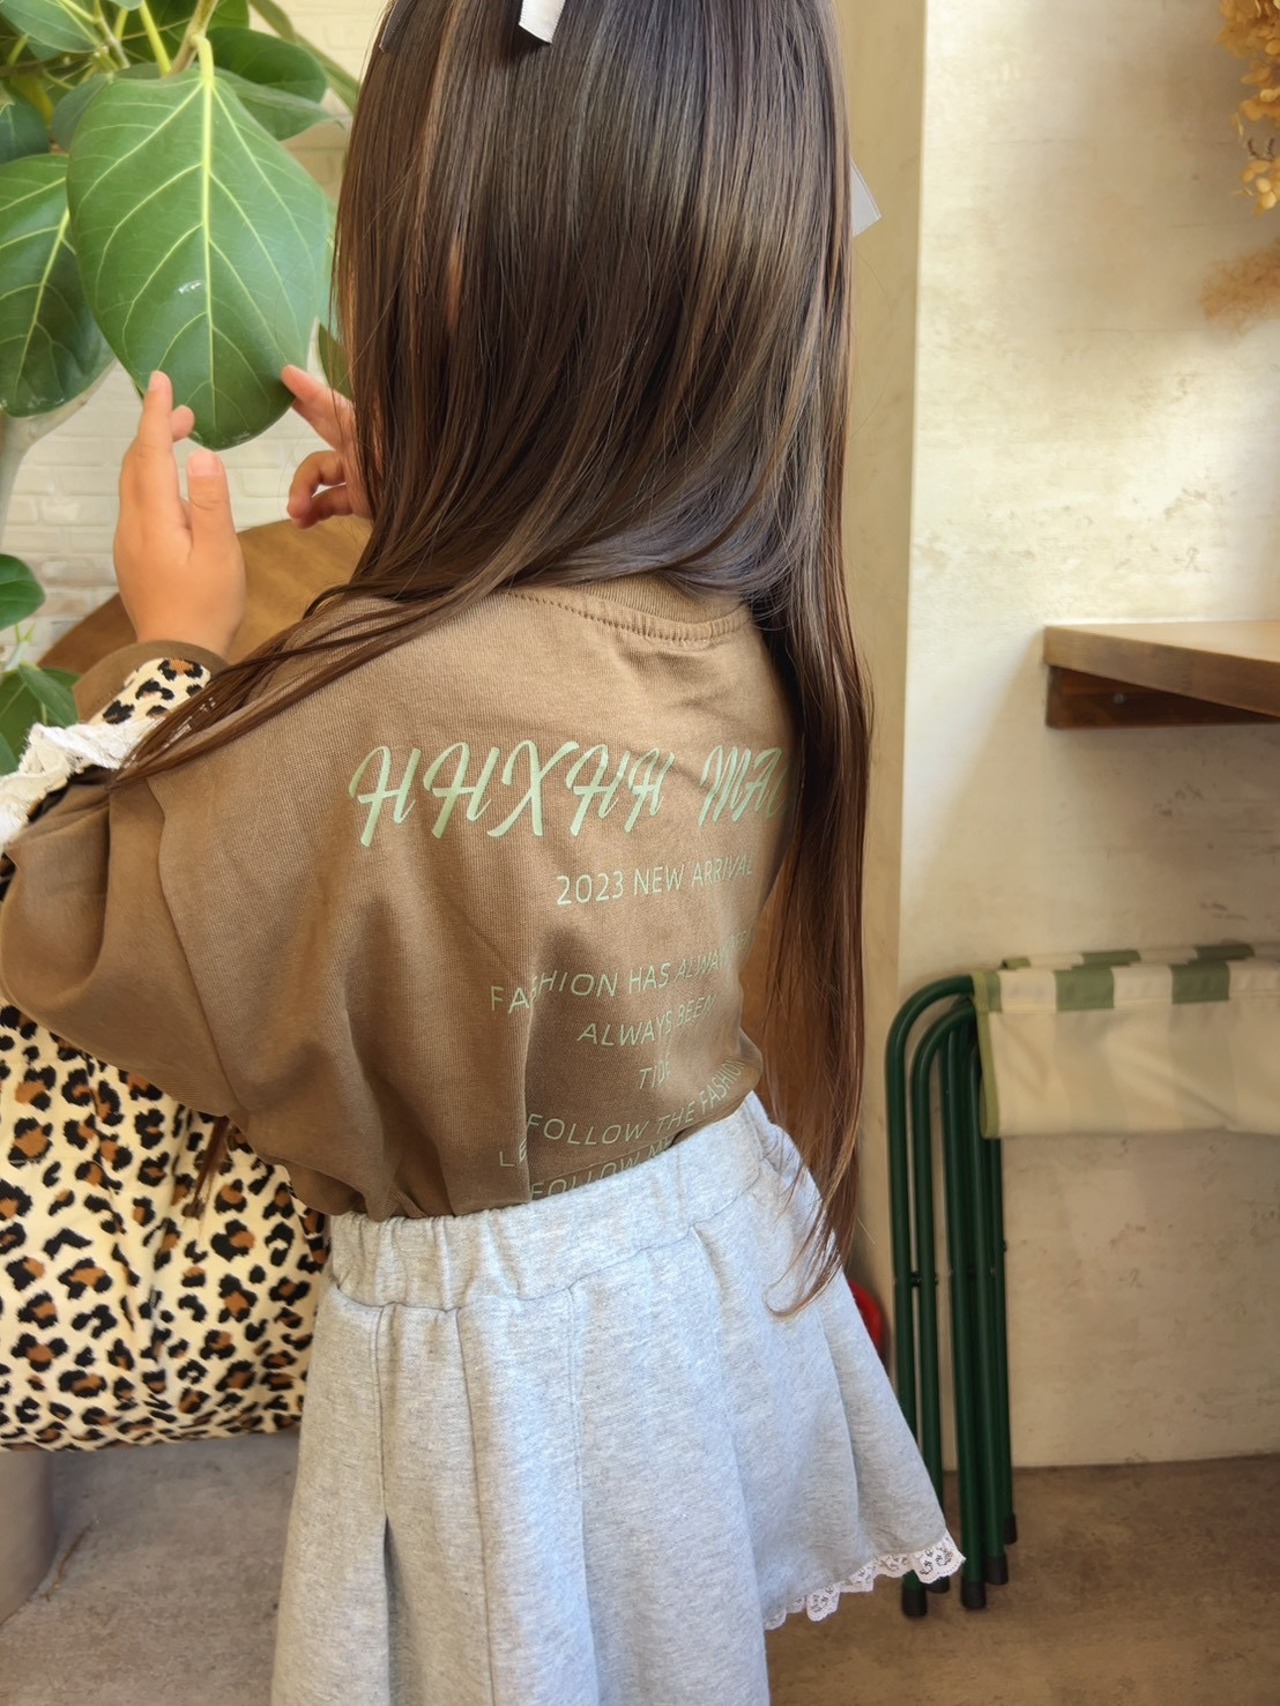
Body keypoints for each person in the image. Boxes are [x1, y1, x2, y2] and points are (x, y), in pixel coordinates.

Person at [0, 0, 960, 1699]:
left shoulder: (377, 704)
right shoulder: (741, 626)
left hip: (498, 1386)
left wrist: (175, 648)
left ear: (447, 276)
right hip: (686, 1277)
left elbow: (77, 924)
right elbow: (516, 744)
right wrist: (450, 510)